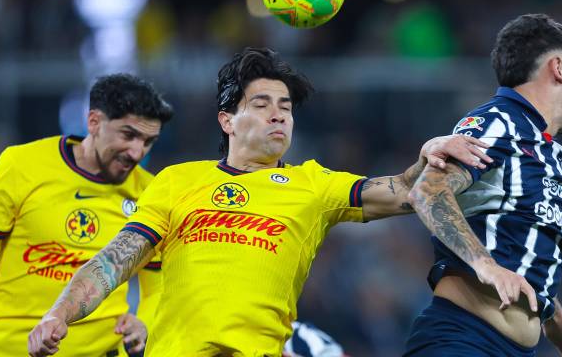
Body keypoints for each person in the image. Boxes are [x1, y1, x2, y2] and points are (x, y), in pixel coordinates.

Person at [27, 47, 493, 356]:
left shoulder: (313, 184)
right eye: (262, 104)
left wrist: (428, 158)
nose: (278, 115)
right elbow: (114, 260)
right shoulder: (177, 180)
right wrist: (58, 313)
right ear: (227, 120)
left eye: (286, 107)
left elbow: (405, 191)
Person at [0, 74, 174, 357]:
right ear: (94, 122)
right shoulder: (20, 167)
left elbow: (155, 286)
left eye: (148, 141)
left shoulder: (148, 191)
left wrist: (144, 324)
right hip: (9, 349)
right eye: (128, 135)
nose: (137, 152)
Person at [405, 14, 562, 356]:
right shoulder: (499, 122)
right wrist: (485, 265)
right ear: (557, 68)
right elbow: (428, 191)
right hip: (463, 339)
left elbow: (518, 251)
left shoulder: (553, 154)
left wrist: (556, 319)